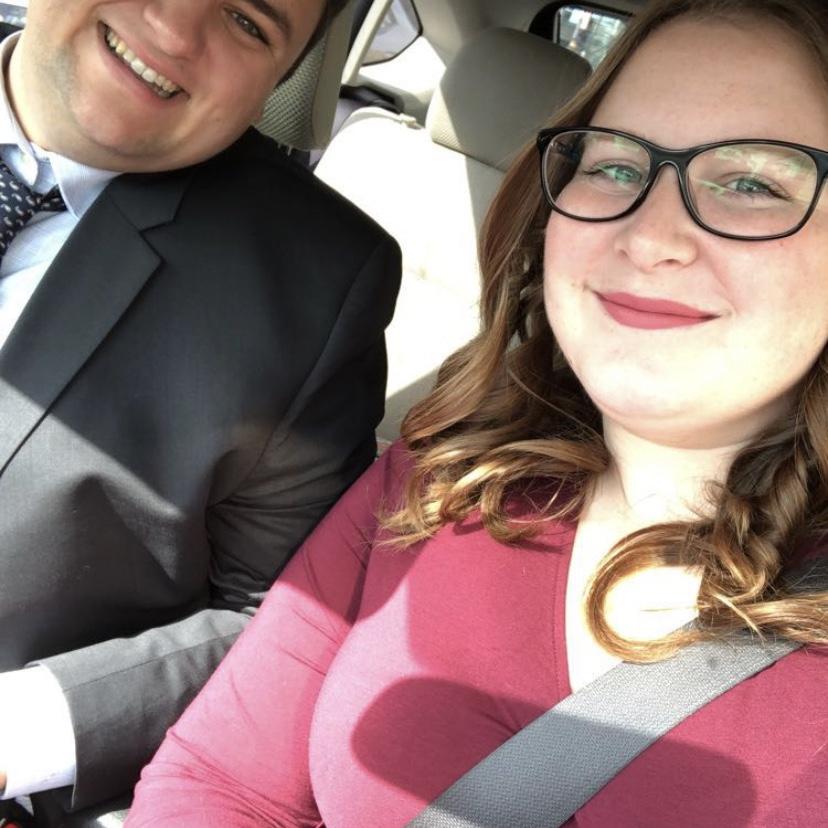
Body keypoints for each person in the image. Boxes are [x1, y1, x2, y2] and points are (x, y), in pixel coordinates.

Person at [127, 0, 828, 824]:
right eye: (612, 166)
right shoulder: (439, 479)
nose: (648, 237)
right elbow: (219, 780)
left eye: (752, 184)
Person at [0, 0, 401, 824]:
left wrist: (18, 731)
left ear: (281, 80)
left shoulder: (318, 281)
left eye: (248, 22)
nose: (175, 31)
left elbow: (280, 615)